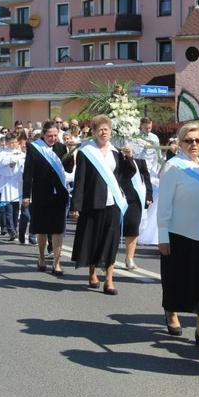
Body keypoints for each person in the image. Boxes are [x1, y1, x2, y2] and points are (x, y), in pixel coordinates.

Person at [157, 122, 199, 347]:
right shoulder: (174, 167)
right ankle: (171, 313)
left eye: (198, 140)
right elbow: (163, 203)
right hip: (179, 231)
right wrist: (162, 234)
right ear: (181, 142)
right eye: (189, 141)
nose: (194, 144)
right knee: (176, 277)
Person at [69, 115, 136, 295]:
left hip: (113, 202)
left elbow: (127, 174)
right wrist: (76, 205)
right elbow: (80, 179)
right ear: (93, 132)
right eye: (99, 129)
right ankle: (92, 272)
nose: (103, 132)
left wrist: (129, 157)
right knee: (93, 238)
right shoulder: (86, 152)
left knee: (111, 240)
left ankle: (109, 279)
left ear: (110, 131)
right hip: (93, 202)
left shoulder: (116, 152)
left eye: (106, 129)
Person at [22, 122, 74, 271]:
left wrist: (70, 152)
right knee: (43, 229)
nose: (52, 138)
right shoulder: (34, 147)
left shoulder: (61, 147)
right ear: (43, 135)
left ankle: (56, 262)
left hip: (59, 193)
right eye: (49, 136)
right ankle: (42, 257)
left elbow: (68, 168)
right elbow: (28, 172)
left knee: (58, 229)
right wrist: (26, 195)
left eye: (55, 136)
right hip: (41, 193)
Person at [120, 155, 152, 270]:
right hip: (117, 192)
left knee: (133, 226)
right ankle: (107, 257)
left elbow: (145, 174)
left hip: (135, 195)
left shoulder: (138, 155)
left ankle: (129, 258)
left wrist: (149, 194)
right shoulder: (112, 152)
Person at [0, 132, 25, 241]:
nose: (13, 144)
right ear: (7, 143)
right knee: (9, 209)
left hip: (17, 183)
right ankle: (11, 230)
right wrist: (10, 164)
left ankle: (15, 227)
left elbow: (24, 163)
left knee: (16, 209)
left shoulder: (21, 153)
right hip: (7, 183)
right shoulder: (3, 154)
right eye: (11, 142)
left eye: (15, 142)